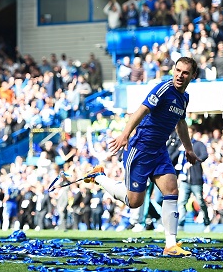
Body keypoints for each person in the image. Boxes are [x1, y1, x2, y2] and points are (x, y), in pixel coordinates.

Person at [84, 56, 200, 256]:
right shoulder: (163, 89)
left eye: (185, 72)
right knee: (134, 201)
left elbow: (181, 124)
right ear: (173, 70)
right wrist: (125, 134)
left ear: (193, 75)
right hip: (140, 148)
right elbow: (142, 109)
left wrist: (188, 149)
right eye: (178, 70)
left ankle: (170, 245)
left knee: (172, 189)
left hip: (159, 151)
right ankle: (99, 177)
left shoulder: (184, 98)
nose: (180, 75)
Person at [176, 127, 211, 232]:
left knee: (200, 202)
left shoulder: (198, 144)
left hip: (196, 179)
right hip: (184, 180)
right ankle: (180, 224)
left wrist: (193, 162)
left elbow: (204, 155)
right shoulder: (181, 146)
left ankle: (206, 222)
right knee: (181, 202)